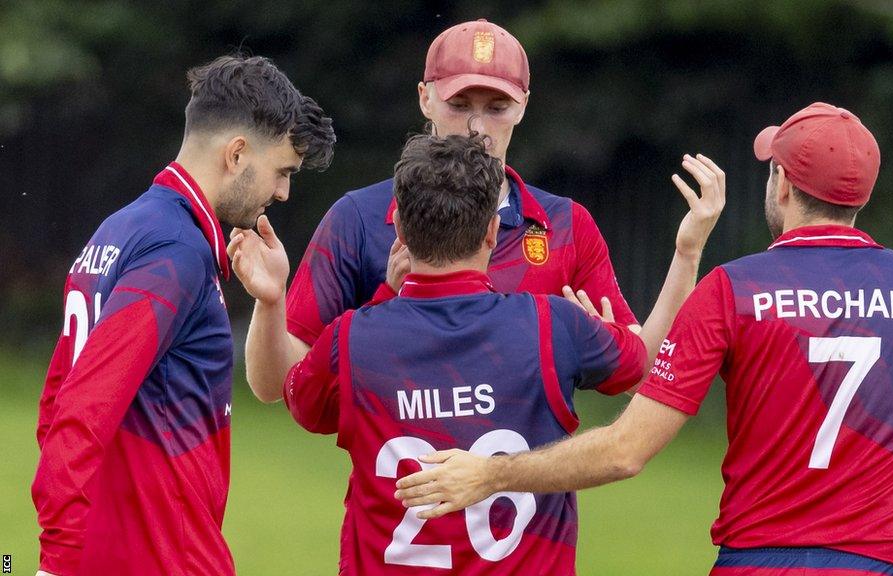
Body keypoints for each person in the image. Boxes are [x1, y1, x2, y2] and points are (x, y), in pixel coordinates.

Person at [394, 103, 893, 576]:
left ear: (780, 181)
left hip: (757, 561)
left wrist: (492, 474)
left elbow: (625, 451)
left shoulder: (732, 290)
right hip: (882, 563)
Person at [266, 131, 722, 574]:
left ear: (399, 229)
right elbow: (648, 360)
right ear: (491, 230)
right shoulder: (555, 324)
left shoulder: (350, 339)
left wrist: (384, 297)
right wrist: (687, 251)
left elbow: (300, 403)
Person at [241, 19, 697, 404]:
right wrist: (271, 302)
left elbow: (639, 365)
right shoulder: (357, 218)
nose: (477, 127)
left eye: (497, 107)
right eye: (459, 105)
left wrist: (686, 253)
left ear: (523, 106)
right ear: (425, 98)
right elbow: (277, 386)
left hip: (526, 504)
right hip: (400, 503)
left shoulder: (565, 225)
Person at [31, 55, 335, 576]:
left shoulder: (121, 228)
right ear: (237, 154)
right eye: (281, 171)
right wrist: (58, 561)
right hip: (164, 559)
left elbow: (54, 403)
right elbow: (81, 406)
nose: (283, 192)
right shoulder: (175, 250)